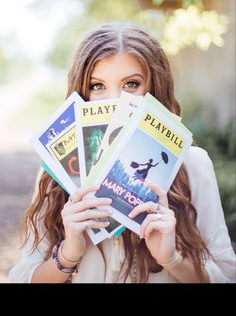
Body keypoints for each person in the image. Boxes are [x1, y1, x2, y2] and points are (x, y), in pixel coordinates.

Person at [9, 22, 235, 283]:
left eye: (131, 84)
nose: (114, 101)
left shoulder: (192, 164)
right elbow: (24, 277)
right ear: (82, 93)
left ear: (154, 89)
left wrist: (172, 258)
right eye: (97, 86)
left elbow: (227, 275)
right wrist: (69, 254)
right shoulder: (56, 170)